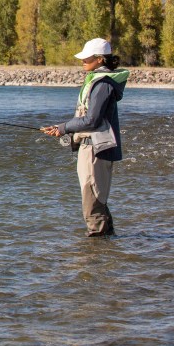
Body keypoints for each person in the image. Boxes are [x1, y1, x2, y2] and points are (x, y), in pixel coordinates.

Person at [41, 38, 129, 237]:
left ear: (99, 59)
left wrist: (64, 128)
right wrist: (62, 129)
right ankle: (109, 250)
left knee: (93, 205)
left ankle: (95, 259)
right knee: (97, 202)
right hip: (93, 148)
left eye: (86, 58)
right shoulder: (99, 81)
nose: (82, 61)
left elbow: (92, 120)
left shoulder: (102, 84)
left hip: (95, 150)